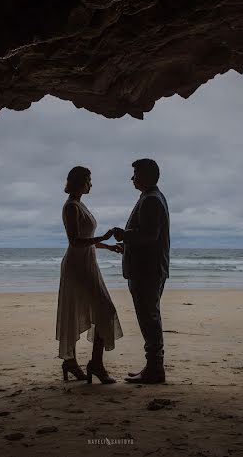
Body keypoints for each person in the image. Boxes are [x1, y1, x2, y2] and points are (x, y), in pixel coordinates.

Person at [56, 166, 124, 384]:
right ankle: (82, 362)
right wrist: (102, 237)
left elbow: (87, 239)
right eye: (88, 180)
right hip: (77, 266)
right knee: (100, 310)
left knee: (100, 311)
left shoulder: (80, 205)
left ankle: (87, 363)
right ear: (78, 182)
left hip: (87, 263)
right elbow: (75, 242)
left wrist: (108, 246)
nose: (91, 184)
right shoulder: (71, 208)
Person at [111, 158, 170, 384]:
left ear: (146, 176)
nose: (132, 178)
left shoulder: (151, 199)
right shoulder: (151, 197)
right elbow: (149, 236)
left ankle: (155, 369)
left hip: (147, 271)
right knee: (149, 318)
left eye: (135, 174)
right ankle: (153, 366)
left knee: (149, 319)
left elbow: (149, 235)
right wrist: (126, 246)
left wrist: (123, 235)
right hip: (150, 268)